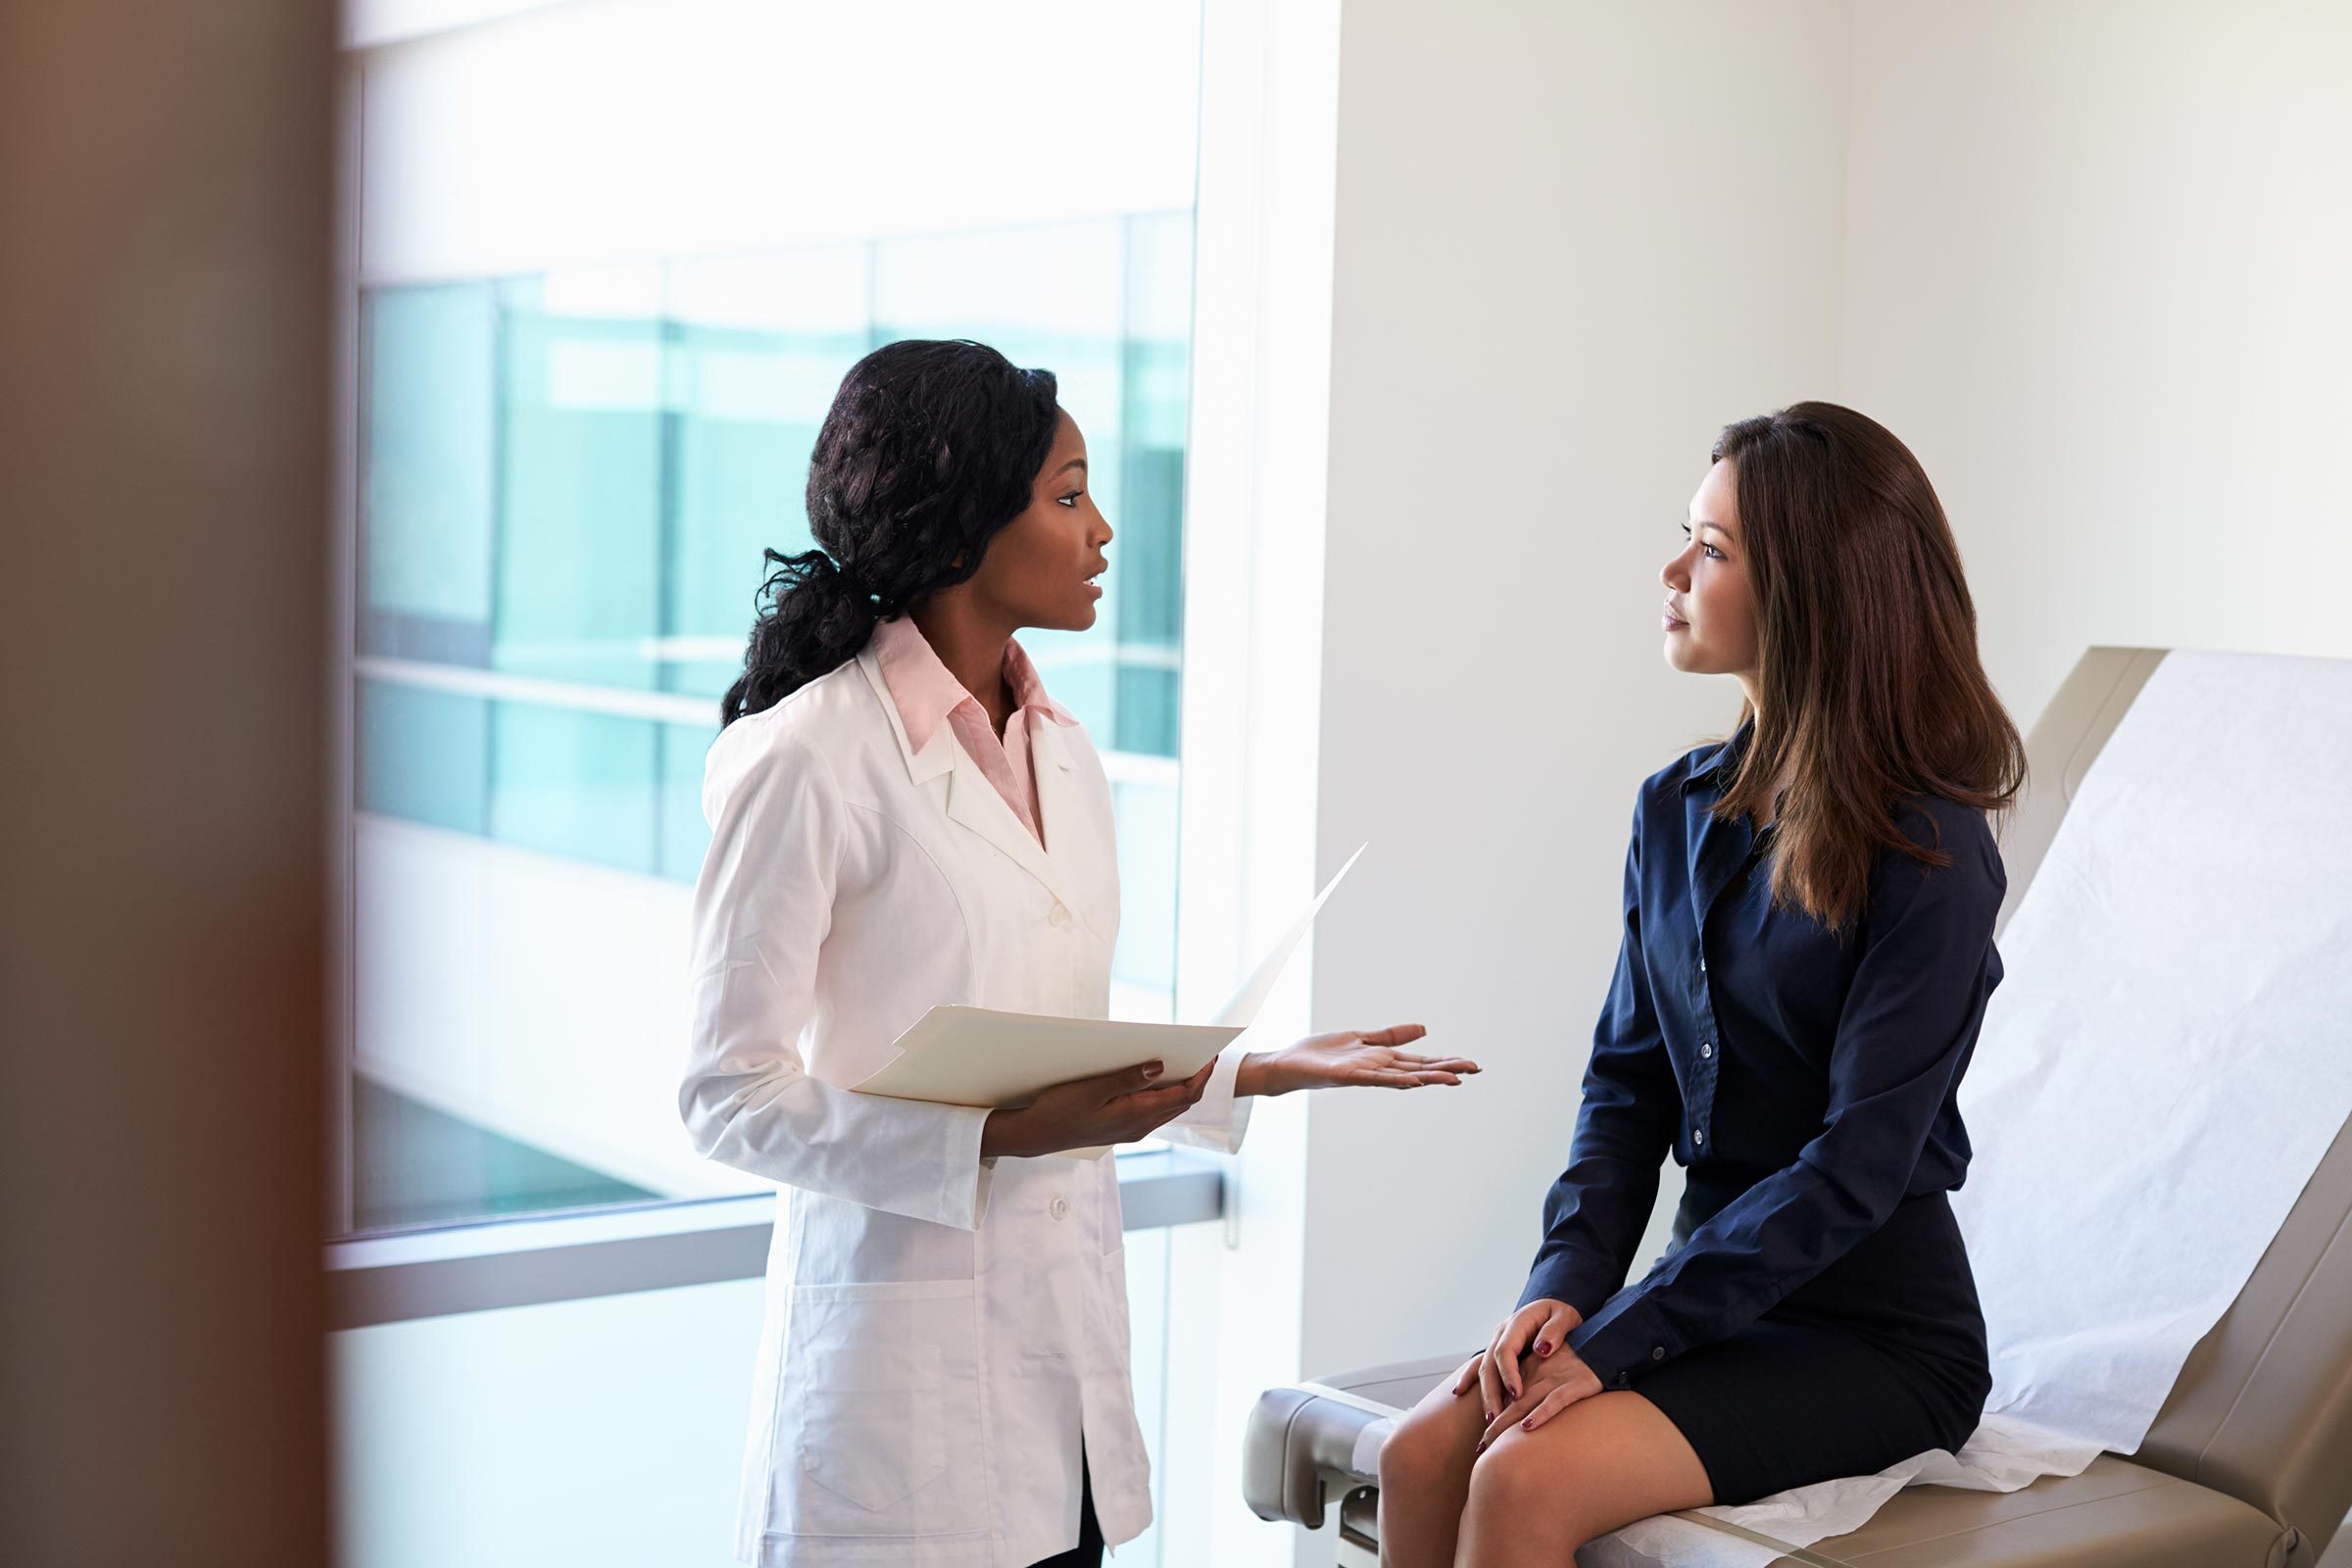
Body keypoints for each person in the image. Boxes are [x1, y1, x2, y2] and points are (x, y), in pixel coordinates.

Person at [679, 338, 1478, 1568]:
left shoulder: (1065, 751)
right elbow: (728, 1097)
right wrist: (990, 1137)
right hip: (896, 1421)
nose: (1102, 527)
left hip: (1062, 1405)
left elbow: (1048, 1054)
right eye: (1066, 495)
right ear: (958, 530)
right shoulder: (808, 758)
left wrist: (1249, 1069)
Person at [1373, 403, 2025, 1566]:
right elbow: (1625, 1090)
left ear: (1813, 593)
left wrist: (1625, 1338)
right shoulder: (1675, 808)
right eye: (1689, 535)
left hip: (1870, 1334)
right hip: (1703, 1303)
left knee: (1520, 1479)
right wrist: (1568, 1289)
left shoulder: (1931, 845)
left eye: (1713, 550)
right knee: (1417, 1453)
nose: (1673, 569)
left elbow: (1855, 1169)